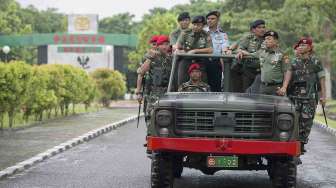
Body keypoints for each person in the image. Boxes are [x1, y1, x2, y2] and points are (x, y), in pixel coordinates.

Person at [288, 37, 326, 152]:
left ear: (309, 48)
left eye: (303, 45)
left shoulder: (315, 62)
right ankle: (293, 147)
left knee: (306, 124)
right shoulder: (293, 62)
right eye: (299, 45)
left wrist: (323, 96)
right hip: (294, 98)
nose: (300, 47)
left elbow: (322, 79)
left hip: (309, 98)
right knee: (292, 122)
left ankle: (301, 145)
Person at [135, 35, 172, 126]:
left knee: (166, 120)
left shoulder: (170, 59)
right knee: (150, 119)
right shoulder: (150, 57)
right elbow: (141, 73)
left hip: (167, 93)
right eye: (162, 44)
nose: (164, 46)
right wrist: (138, 92)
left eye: (167, 44)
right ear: (158, 46)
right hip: (153, 93)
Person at [235, 19, 267, 91]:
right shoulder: (248, 38)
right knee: (246, 93)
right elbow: (239, 48)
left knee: (260, 94)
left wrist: (246, 53)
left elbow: (262, 53)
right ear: (253, 30)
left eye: (263, 27)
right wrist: (240, 51)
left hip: (263, 72)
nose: (262, 29)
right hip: (248, 71)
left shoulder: (267, 39)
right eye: (259, 27)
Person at [256, 30, 291, 96]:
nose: (266, 41)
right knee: (262, 106)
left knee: (276, 106)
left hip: (276, 87)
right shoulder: (262, 52)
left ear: (276, 41)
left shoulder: (283, 54)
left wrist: (284, 87)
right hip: (263, 87)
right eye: (265, 39)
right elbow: (250, 54)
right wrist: (241, 52)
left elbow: (287, 71)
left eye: (269, 39)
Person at [204, 10, 230, 91]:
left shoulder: (222, 34)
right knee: (201, 87)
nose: (210, 20)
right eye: (208, 19)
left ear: (217, 20)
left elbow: (224, 49)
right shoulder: (202, 32)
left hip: (215, 62)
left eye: (212, 19)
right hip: (202, 61)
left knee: (215, 88)